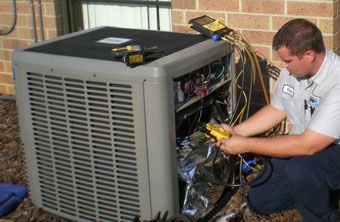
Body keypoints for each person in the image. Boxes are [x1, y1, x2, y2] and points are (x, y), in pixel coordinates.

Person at [215, 18, 340, 222]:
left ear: (309, 55)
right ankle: (316, 190)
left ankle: (324, 216)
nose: (282, 66)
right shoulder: (293, 70)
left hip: (332, 148)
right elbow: (277, 109)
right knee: (260, 200)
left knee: (302, 169)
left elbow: (308, 146)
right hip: (304, 144)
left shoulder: (337, 81)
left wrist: (245, 144)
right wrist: (236, 131)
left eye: (288, 61)